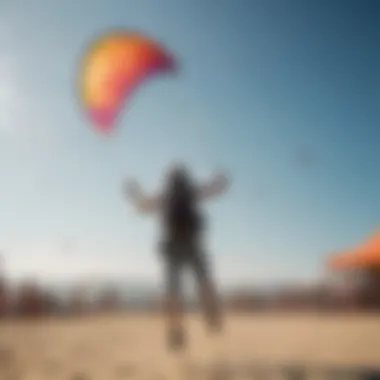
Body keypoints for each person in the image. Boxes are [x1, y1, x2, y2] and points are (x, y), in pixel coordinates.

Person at [123, 163, 230, 350]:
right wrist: (220, 181)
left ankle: (176, 331)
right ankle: (211, 316)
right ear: (185, 177)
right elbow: (212, 190)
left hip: (172, 248)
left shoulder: (166, 196)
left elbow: (143, 206)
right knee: (204, 284)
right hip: (193, 246)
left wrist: (134, 193)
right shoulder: (190, 192)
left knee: (173, 293)